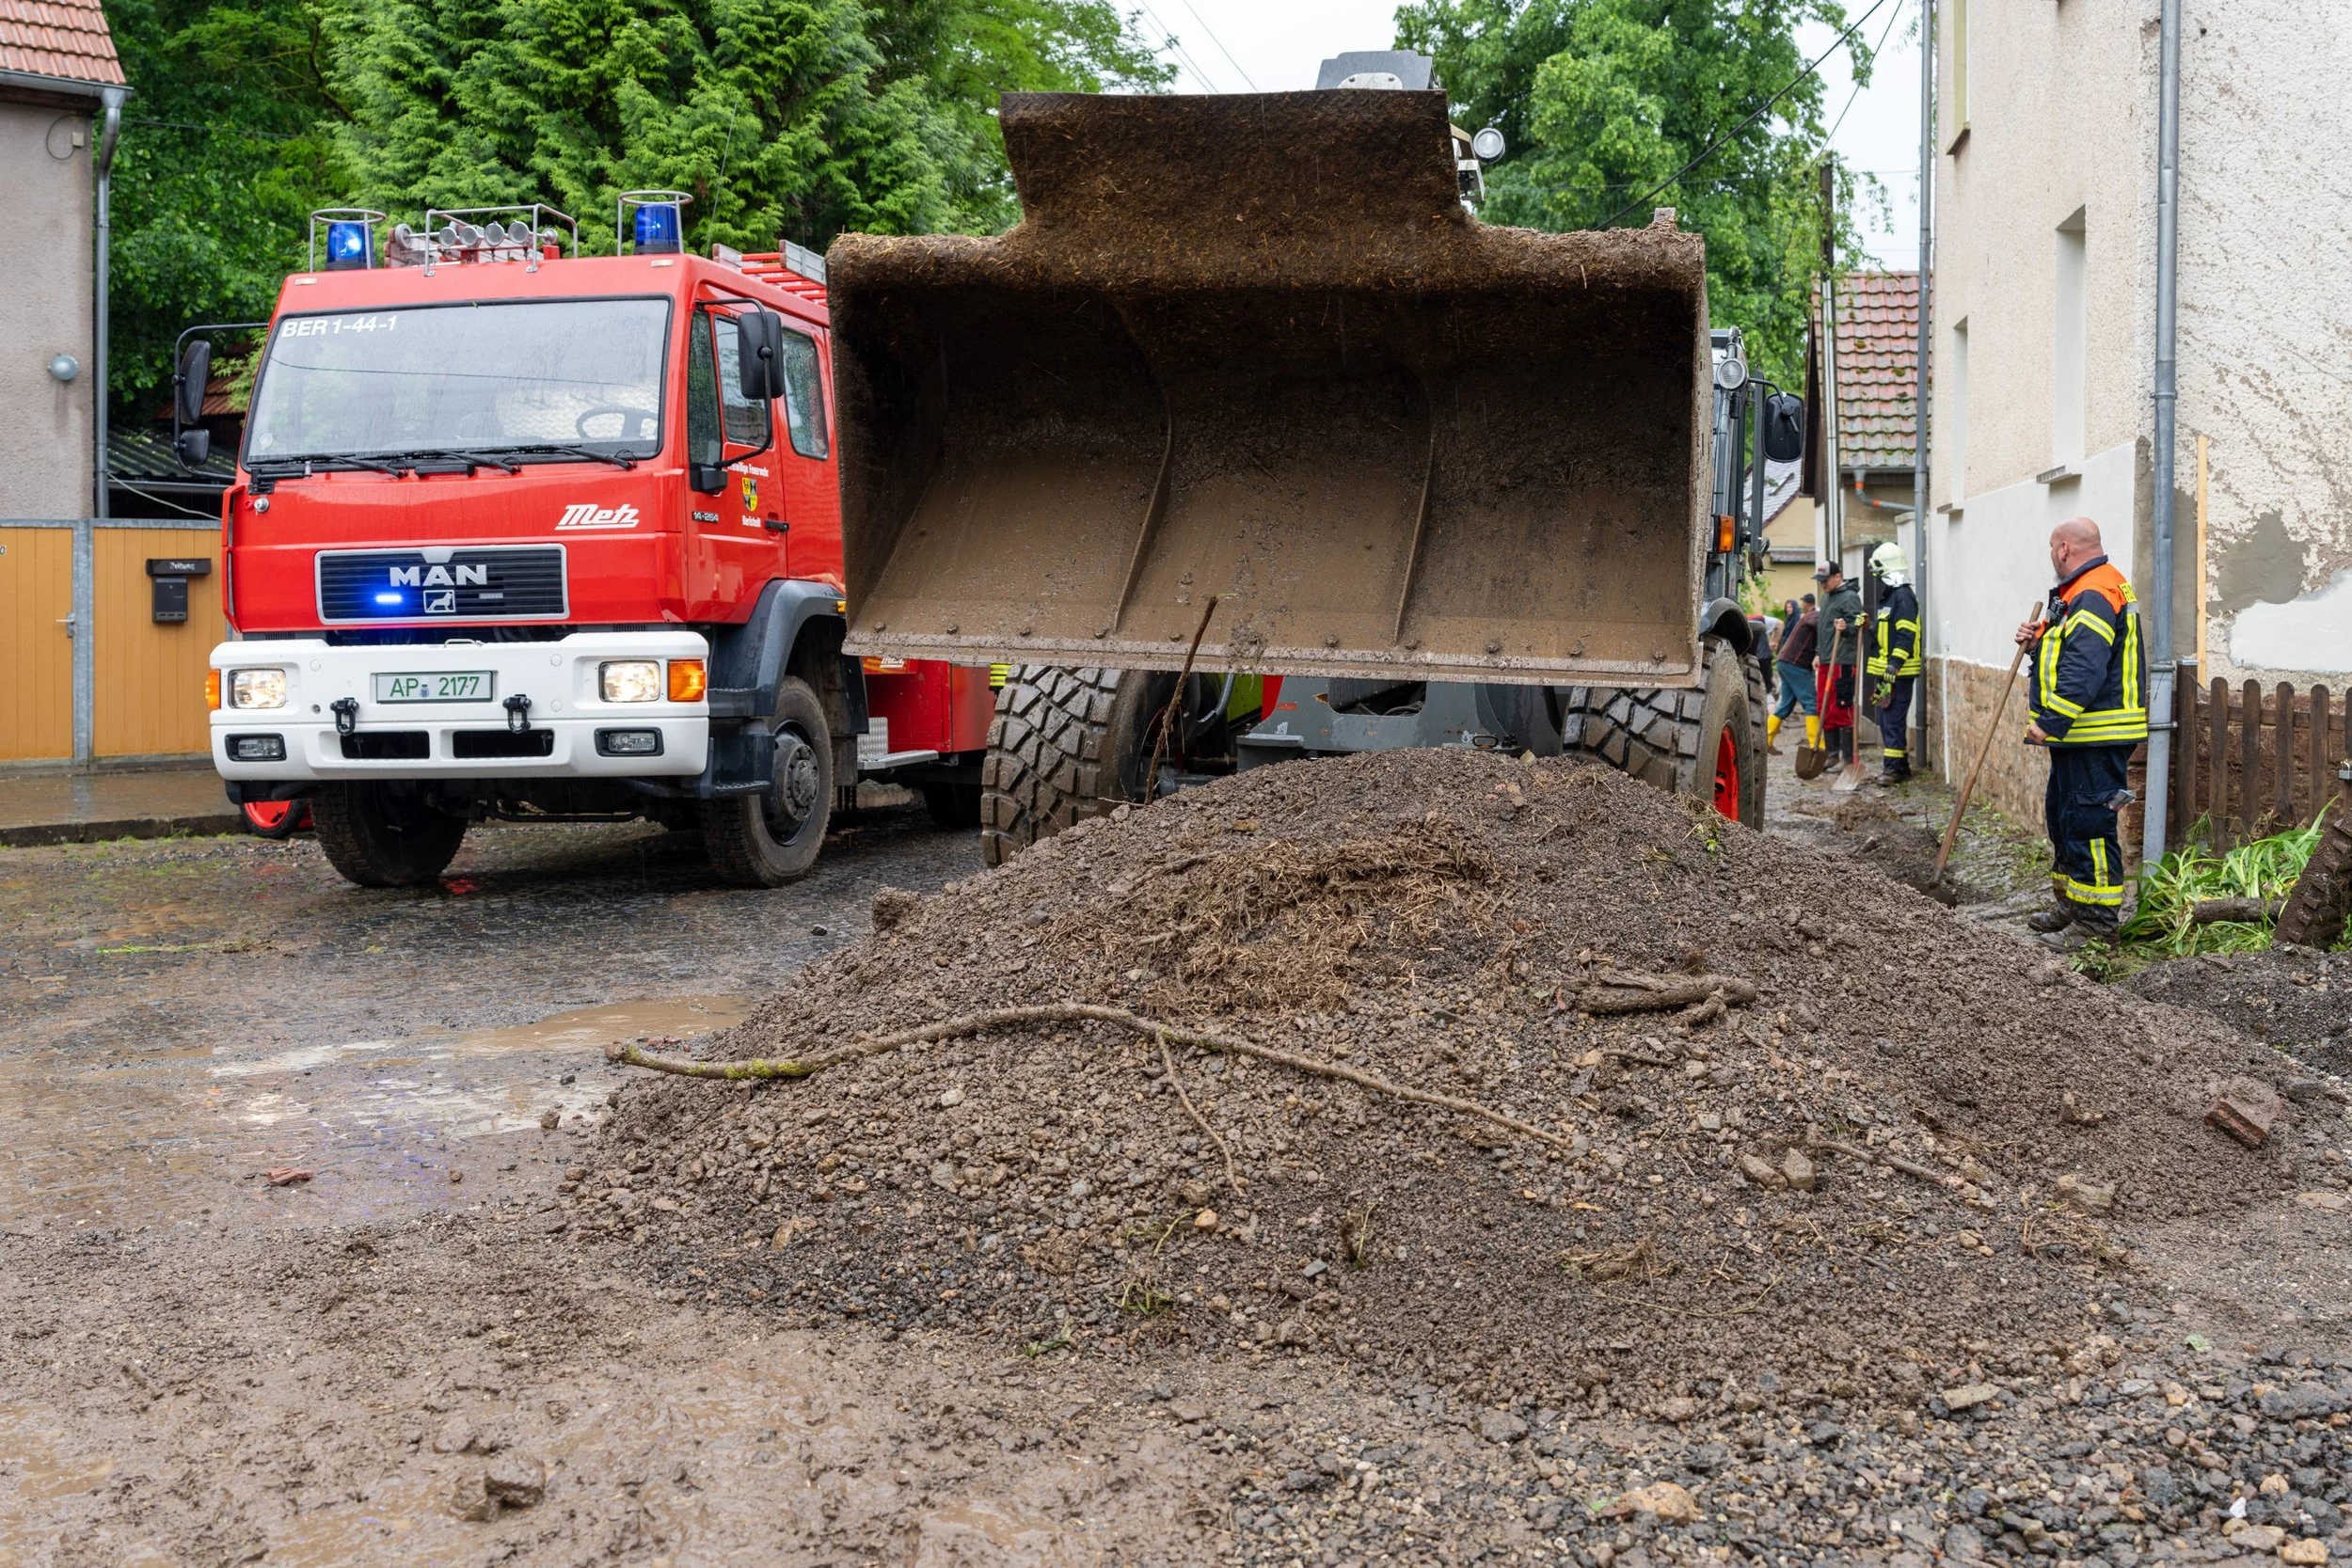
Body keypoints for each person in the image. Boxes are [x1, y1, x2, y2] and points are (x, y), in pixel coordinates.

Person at [2016, 516, 2147, 937]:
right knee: (2064, 818)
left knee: (2090, 824)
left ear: (2064, 549)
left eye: (2052, 548)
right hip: (2081, 735)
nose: (2052, 556)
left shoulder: (2093, 592)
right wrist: (2039, 645)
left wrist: (2050, 720)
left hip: (2097, 732)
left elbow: (2085, 669)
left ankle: (2097, 925)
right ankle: (2073, 907)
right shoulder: (2083, 590)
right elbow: (2068, 655)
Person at [1866, 542, 1923, 784]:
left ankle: (1892, 770)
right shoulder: (1891, 597)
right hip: (1887, 673)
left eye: (1879, 574)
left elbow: (1906, 634)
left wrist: (1895, 664)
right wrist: (1867, 626)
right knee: (1888, 719)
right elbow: (1883, 636)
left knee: (1893, 721)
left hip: (1898, 673)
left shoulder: (1903, 597)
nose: (1878, 579)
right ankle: (1900, 766)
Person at [1814, 562, 1863, 769]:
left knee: (1841, 706)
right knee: (1823, 705)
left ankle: (1848, 758)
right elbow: (1823, 630)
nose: (1822, 584)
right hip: (1826, 659)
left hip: (1842, 660)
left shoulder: (1850, 597)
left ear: (1837, 577)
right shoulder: (1826, 598)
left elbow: (1859, 625)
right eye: (1820, 581)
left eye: (1825, 581)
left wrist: (1847, 627)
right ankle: (1832, 754)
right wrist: (1817, 653)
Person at [1768, 592, 1819, 753]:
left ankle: (1764, 741)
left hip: (1785, 662)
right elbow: (1816, 621)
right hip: (1796, 664)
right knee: (1811, 703)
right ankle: (1817, 747)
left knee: (1785, 706)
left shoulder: (1806, 616)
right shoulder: (1813, 616)